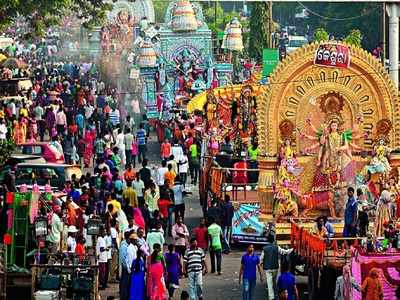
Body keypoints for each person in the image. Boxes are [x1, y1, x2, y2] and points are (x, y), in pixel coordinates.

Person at [260, 234, 293, 300]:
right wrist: (292, 249)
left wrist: (261, 264)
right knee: (275, 281)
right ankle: (276, 294)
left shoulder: (264, 248)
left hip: (267, 268)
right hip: (275, 267)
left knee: (269, 283)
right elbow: (284, 252)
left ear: (268, 240)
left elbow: (261, 258)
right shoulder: (276, 247)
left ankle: (271, 297)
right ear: (273, 240)